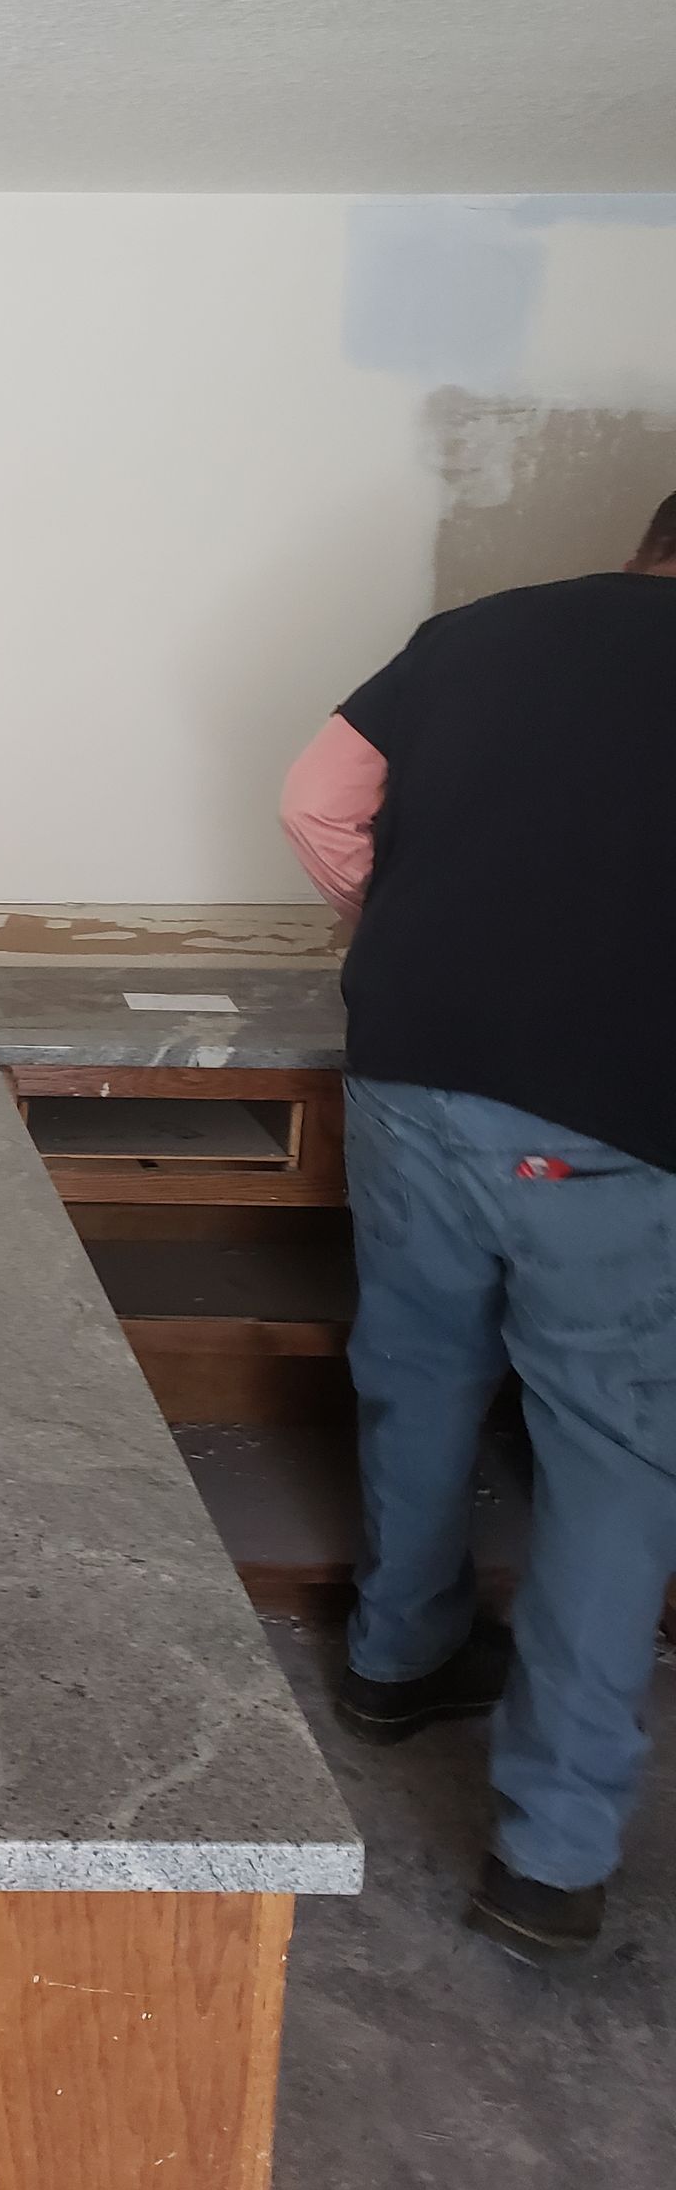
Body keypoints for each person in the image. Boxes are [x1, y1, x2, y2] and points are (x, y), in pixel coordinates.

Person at [280, 493, 676, 1970]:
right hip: (614, 1122)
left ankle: (398, 1657)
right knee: (615, 1459)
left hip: (408, 1065)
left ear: (646, 545)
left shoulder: (479, 634)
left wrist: (403, 924)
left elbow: (316, 801)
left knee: (421, 1365)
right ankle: (550, 1854)